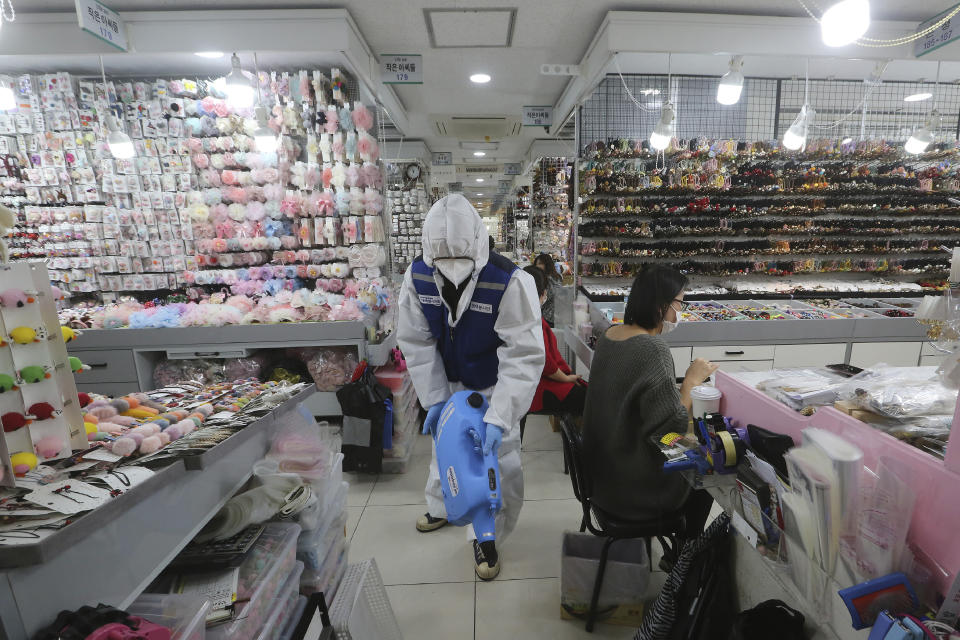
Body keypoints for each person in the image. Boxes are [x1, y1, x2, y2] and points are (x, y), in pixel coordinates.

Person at [397, 193, 544, 580]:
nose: (452, 270)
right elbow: (416, 340)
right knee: (444, 452)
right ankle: (442, 506)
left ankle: (487, 535)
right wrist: (434, 400)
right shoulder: (416, 277)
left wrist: (500, 417)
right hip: (446, 380)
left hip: (494, 386)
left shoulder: (510, 280)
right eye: (443, 263)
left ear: (479, 246)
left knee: (499, 464)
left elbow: (524, 354)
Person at [581, 266, 717, 558]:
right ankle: (684, 558)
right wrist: (691, 383)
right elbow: (667, 434)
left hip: (601, 475)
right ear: (661, 306)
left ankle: (681, 552)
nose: (680, 311)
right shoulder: (652, 349)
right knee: (708, 469)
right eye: (679, 303)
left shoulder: (611, 334)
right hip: (631, 487)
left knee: (698, 452)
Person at [523, 266, 586, 416]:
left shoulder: (519, 317)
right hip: (539, 388)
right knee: (590, 398)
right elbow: (546, 364)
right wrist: (566, 378)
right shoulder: (534, 322)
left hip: (529, 384)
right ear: (544, 293)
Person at [534, 253, 561, 327]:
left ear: (547, 264)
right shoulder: (556, 276)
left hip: (550, 316)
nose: (537, 266)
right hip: (556, 314)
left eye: (540, 264)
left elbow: (545, 298)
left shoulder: (548, 279)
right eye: (537, 264)